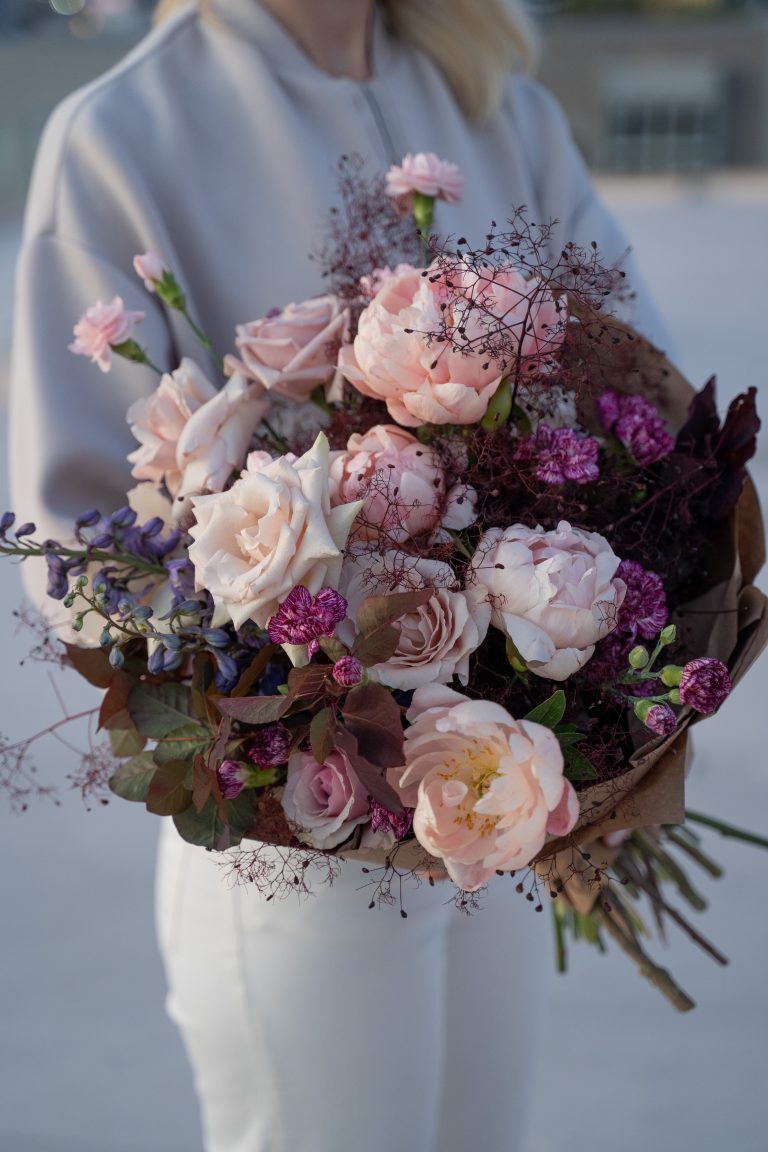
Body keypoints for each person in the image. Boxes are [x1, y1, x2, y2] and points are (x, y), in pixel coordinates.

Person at [9, 3, 666, 1149]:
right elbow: (87, 545)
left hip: (496, 810)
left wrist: (613, 701)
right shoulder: (125, 130)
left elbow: (640, 414)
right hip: (305, 828)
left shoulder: (493, 98)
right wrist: (290, 681)